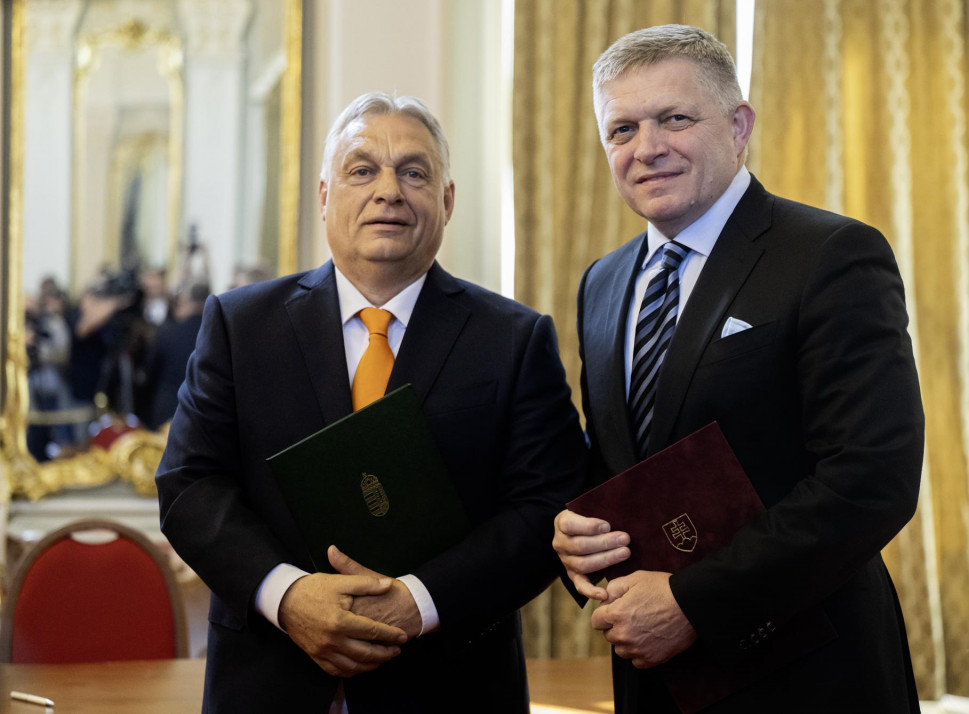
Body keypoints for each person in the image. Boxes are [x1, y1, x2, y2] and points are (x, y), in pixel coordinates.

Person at [156, 92, 587, 713]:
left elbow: (545, 505)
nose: (389, 189)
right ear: (326, 195)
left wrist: (419, 601)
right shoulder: (239, 325)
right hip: (269, 682)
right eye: (363, 170)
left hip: (451, 686)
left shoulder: (514, 339)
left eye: (414, 172)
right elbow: (191, 485)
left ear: (446, 201)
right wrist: (288, 596)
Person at [552, 25, 924, 714]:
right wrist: (576, 538)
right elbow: (617, 466)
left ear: (739, 125)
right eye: (622, 128)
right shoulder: (600, 286)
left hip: (810, 677)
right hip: (656, 681)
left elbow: (873, 478)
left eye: (675, 118)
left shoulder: (832, 255)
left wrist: (695, 603)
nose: (647, 148)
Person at [137, 280, 210, 429]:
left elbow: (150, 376)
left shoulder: (167, 334)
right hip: (206, 414)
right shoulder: (217, 335)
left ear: (188, 302)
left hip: (168, 413)